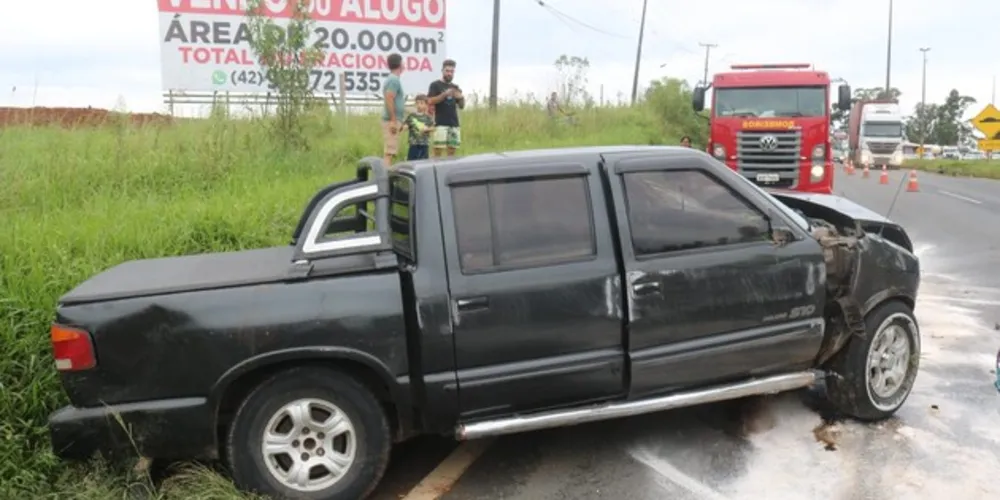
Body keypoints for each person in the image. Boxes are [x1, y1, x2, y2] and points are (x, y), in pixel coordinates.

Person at [427, 59, 464, 157]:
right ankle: (434, 166)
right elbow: (430, 101)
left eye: (452, 71)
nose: (449, 74)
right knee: (437, 151)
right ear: (442, 71)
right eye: (447, 71)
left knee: (452, 151)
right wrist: (444, 95)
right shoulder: (435, 85)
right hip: (440, 123)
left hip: (454, 123)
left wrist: (461, 97)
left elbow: (461, 106)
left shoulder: (455, 86)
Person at [381, 53, 406, 166]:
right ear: (400, 64)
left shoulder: (393, 79)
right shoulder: (394, 80)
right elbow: (389, 97)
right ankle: (385, 174)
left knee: (391, 151)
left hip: (395, 119)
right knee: (389, 152)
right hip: (391, 120)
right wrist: (393, 120)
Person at [403, 94, 435, 161]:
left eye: (421, 103)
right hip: (413, 143)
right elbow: (406, 124)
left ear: (426, 105)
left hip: (424, 143)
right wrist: (405, 127)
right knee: (411, 161)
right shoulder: (411, 116)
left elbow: (433, 128)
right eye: (417, 103)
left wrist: (427, 129)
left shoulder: (428, 117)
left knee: (423, 162)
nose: (419, 105)